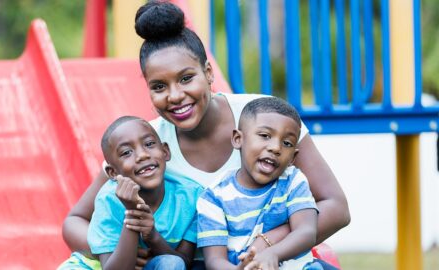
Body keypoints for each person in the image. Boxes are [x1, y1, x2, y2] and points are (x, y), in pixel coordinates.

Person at [61, 0, 350, 268]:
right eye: (159, 86)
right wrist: (118, 251)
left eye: (187, 78)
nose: (175, 96)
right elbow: (75, 221)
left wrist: (269, 242)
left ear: (209, 73)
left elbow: (335, 207)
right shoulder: (148, 147)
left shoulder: (263, 119)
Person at [197, 97, 326, 270]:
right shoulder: (214, 196)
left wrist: (273, 253)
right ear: (237, 139)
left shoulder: (293, 181)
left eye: (286, 143)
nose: (275, 147)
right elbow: (214, 260)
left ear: (293, 158)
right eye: (265, 136)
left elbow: (307, 232)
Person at [59, 116, 202, 270]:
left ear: (165, 151)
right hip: (94, 267)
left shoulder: (190, 197)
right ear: (112, 172)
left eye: (149, 144)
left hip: (153, 265)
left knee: (172, 263)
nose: (142, 155)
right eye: (127, 152)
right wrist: (133, 214)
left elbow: (184, 262)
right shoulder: (108, 199)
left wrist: (152, 236)